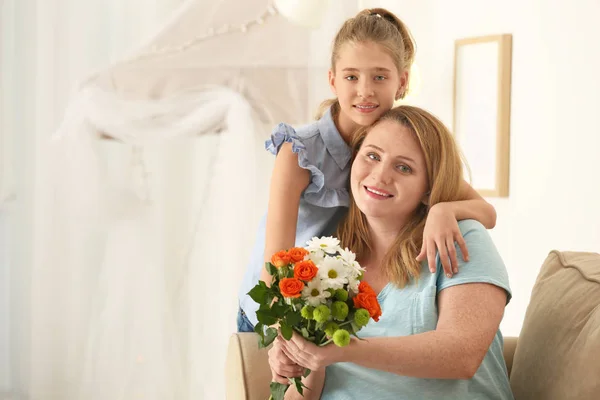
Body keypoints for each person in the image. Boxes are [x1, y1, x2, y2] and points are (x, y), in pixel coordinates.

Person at [236, 8, 498, 333]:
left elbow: (486, 212)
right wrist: (281, 330)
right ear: (332, 80)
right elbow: (275, 262)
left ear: (401, 82)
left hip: (329, 310)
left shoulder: (401, 140)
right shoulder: (299, 152)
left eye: (379, 76)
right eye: (351, 77)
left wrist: (444, 210)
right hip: (276, 308)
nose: (365, 90)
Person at [268, 105, 513, 399]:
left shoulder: (460, 238)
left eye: (404, 167)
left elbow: (461, 355)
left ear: (428, 188)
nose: (381, 175)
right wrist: (305, 360)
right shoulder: (326, 264)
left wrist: (344, 350)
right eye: (372, 155)